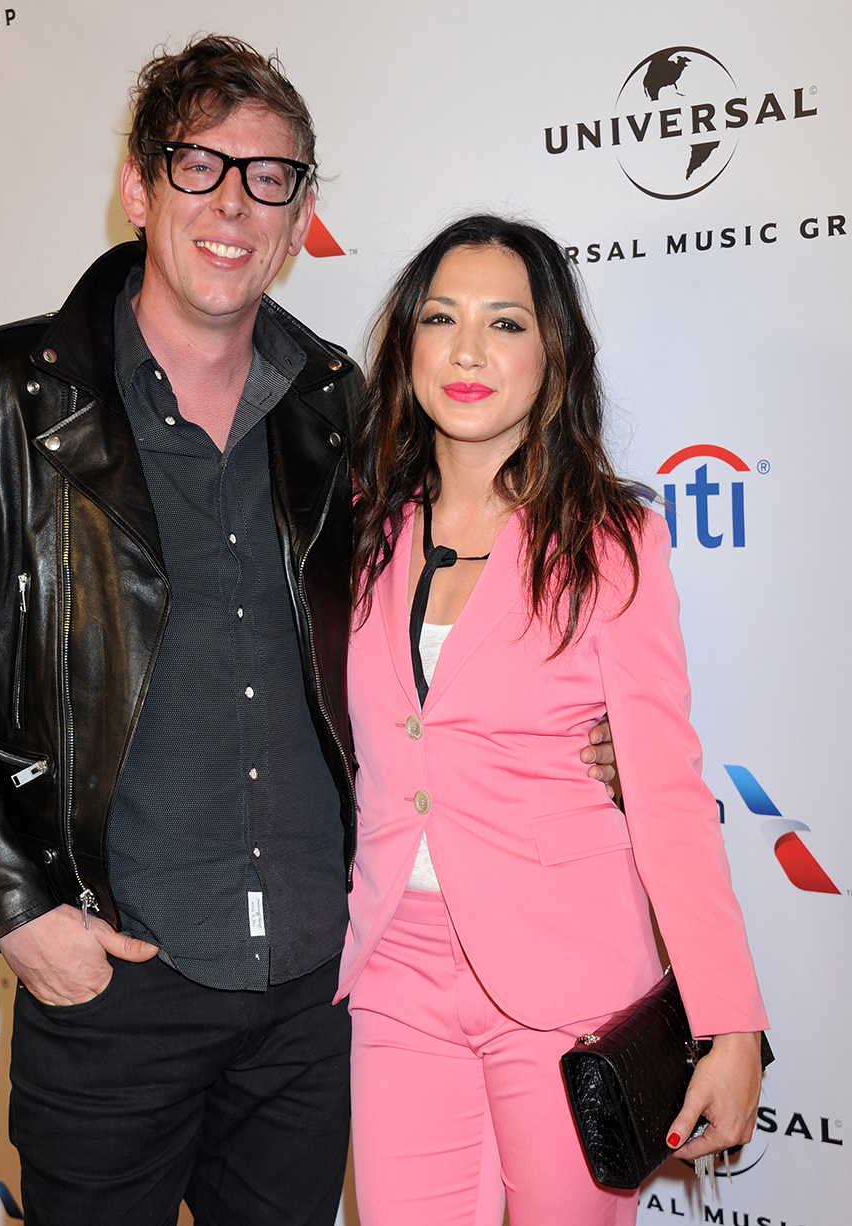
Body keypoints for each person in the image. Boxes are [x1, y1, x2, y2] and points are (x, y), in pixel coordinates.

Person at [0, 41, 620, 1226]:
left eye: (269, 177)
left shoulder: (343, 408)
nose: (233, 204)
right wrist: (19, 912)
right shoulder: (2, 395)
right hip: (112, 986)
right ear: (138, 186)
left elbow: (459, 606)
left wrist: (590, 740)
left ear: (301, 209)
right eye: (199, 165)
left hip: (317, 1000)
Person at [338, 215, 768, 1226]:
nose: (470, 349)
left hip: (567, 984)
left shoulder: (610, 538)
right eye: (441, 317)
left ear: (553, 353)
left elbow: (664, 792)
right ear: (407, 346)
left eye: (505, 321)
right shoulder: (360, 528)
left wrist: (730, 1022)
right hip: (394, 968)